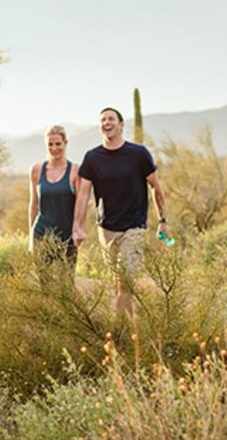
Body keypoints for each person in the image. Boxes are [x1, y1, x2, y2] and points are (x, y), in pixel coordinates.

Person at [72, 106, 171, 313]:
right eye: (103, 120)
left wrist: (163, 220)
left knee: (126, 280)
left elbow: (156, 187)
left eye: (111, 119)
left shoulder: (139, 154)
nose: (107, 123)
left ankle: (117, 331)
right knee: (117, 282)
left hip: (134, 227)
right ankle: (128, 328)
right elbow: (83, 194)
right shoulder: (92, 157)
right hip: (106, 229)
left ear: (121, 125)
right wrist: (77, 226)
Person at [28, 124, 80, 264]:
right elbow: (34, 205)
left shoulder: (75, 171)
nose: (54, 148)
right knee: (44, 284)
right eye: (50, 144)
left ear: (65, 143)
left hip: (67, 237)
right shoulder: (36, 170)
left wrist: (77, 229)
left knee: (66, 283)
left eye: (58, 144)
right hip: (41, 235)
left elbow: (80, 206)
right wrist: (31, 237)